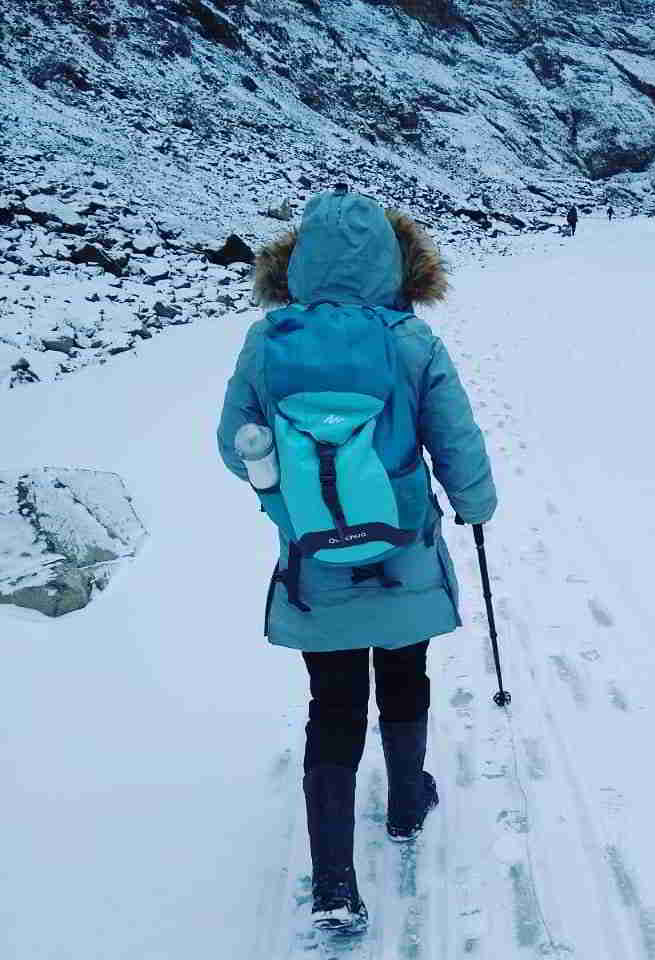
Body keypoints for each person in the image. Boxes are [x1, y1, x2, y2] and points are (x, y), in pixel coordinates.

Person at [217, 188, 497, 933]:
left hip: (317, 561)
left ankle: (335, 882)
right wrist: (475, 505)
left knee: (333, 703)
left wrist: (290, 504)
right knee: (405, 673)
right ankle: (407, 803)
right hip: (402, 550)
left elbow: (232, 445)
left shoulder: (270, 339)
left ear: (299, 259)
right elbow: (456, 440)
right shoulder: (411, 340)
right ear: (397, 260)